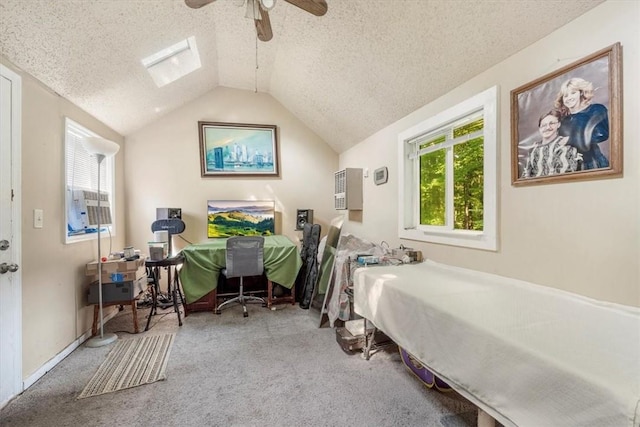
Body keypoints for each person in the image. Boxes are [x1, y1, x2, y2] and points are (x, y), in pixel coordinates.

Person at [554, 77, 609, 170]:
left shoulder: (596, 109)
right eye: (565, 95)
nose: (569, 98)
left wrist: (570, 140)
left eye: (573, 93)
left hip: (592, 162)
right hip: (568, 165)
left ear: (581, 93)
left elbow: (602, 134)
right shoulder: (563, 120)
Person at [521, 109, 582, 179]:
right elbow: (526, 175)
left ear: (558, 125)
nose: (547, 127)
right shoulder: (534, 148)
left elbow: (564, 176)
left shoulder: (564, 145)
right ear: (539, 128)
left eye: (552, 123)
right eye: (543, 125)